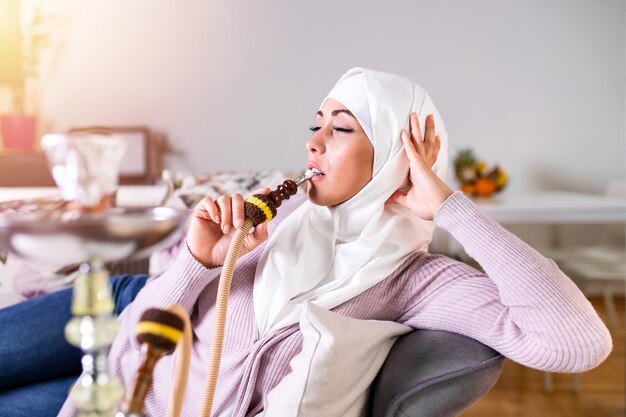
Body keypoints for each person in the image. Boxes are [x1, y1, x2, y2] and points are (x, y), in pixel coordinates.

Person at [0, 67, 613, 417]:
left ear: (395, 159)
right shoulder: (274, 234)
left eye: (341, 128)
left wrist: (448, 205)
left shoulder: (414, 281)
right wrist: (197, 262)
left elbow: (577, 342)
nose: (314, 142)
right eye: (314, 125)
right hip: (118, 334)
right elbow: (143, 329)